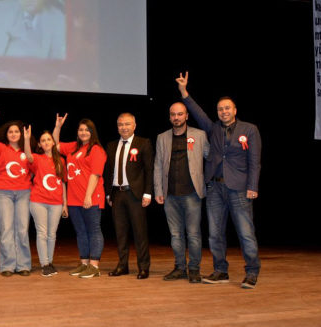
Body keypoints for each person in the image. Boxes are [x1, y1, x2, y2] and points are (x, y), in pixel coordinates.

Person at [176, 71, 261, 289]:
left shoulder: (249, 129)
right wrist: (184, 92)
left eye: (227, 108)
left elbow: (255, 161)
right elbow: (197, 112)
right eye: (220, 109)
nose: (223, 112)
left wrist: (253, 186)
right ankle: (220, 271)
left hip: (240, 189)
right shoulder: (212, 129)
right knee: (214, 234)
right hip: (215, 187)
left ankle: (251, 272)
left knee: (245, 232)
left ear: (234, 110)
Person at [154, 103, 209, 283]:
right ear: (169, 117)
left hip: (192, 194)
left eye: (180, 114)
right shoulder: (162, 138)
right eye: (173, 114)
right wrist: (158, 190)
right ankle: (179, 268)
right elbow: (158, 165)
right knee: (175, 234)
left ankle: (194, 269)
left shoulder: (199, 135)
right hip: (169, 195)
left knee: (193, 234)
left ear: (186, 116)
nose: (176, 117)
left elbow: (212, 157)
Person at [53, 114, 107, 279]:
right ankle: (84, 263)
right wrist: (58, 126)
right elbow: (55, 146)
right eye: (81, 129)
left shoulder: (97, 150)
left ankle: (94, 266)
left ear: (93, 132)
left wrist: (88, 196)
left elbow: (95, 174)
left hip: (90, 197)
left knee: (94, 230)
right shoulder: (74, 147)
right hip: (74, 198)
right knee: (81, 231)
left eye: (87, 130)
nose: (83, 132)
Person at [103, 113, 154, 279]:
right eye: (120, 124)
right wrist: (108, 194)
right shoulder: (111, 145)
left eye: (127, 124)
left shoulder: (143, 143)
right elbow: (108, 171)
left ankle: (144, 267)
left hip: (136, 194)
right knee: (120, 233)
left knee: (140, 233)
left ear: (134, 125)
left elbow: (149, 170)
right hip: (117, 194)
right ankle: (122, 265)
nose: (123, 127)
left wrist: (147, 193)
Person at [0, 112, 32, 276]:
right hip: (3, 192)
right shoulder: (1, 148)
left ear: (21, 134)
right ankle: (7, 266)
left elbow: (33, 165)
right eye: (10, 132)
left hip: (23, 192)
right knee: (6, 229)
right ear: (6, 134)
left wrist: (27, 141)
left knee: (22, 229)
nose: (13, 134)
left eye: (16, 132)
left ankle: (23, 265)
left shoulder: (26, 150)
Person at [23, 126, 67, 277]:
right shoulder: (37, 158)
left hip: (56, 202)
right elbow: (28, 155)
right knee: (42, 233)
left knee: (52, 234)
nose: (46, 142)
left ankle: (50, 261)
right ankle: (44, 264)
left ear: (53, 142)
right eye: (43, 140)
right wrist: (27, 139)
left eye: (49, 139)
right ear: (40, 145)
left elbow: (62, 182)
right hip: (39, 201)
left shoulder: (61, 160)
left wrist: (64, 204)